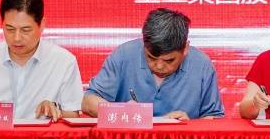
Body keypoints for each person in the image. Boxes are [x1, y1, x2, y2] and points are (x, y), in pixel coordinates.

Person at [82, 8, 222, 120]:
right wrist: (122, 113)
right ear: (144, 44)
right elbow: (88, 102)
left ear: (185, 48)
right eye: (151, 57)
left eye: (169, 60)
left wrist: (189, 126)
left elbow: (213, 117)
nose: (159, 66)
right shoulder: (124, 55)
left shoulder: (202, 65)